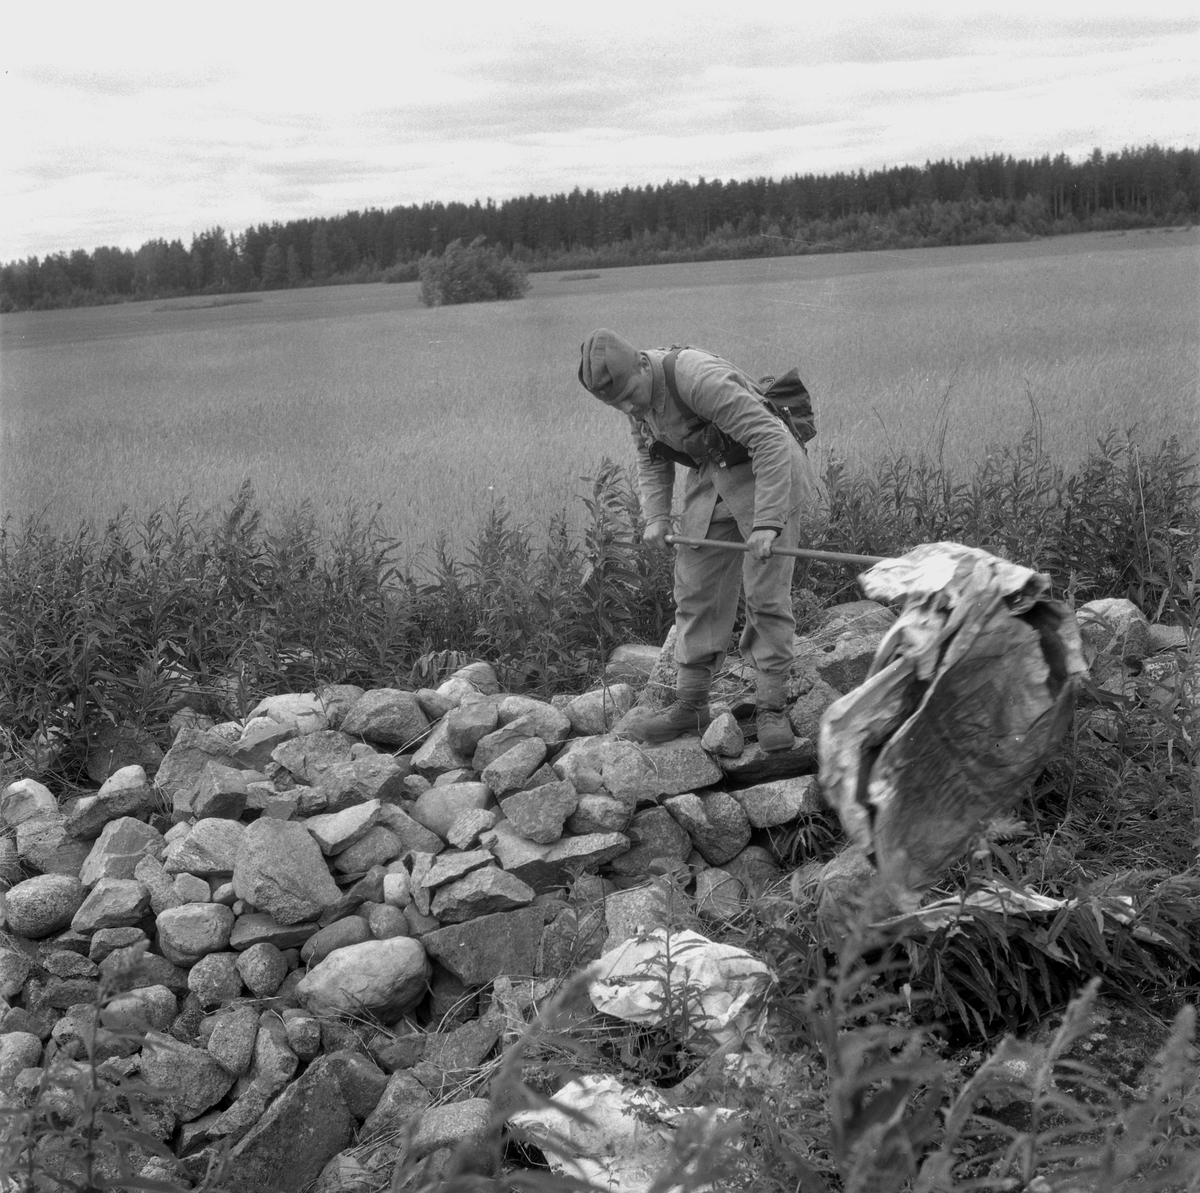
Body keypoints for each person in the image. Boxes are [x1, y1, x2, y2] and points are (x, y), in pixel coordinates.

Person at [577, 329, 822, 750]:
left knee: (765, 593)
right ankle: (691, 706)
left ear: (641, 363)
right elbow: (649, 457)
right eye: (616, 404)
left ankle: (771, 707)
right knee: (694, 589)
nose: (628, 408)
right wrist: (655, 515)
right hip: (713, 474)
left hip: (768, 476)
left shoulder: (695, 378)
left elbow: (768, 440)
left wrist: (767, 523)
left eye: (629, 396)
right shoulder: (628, 394)